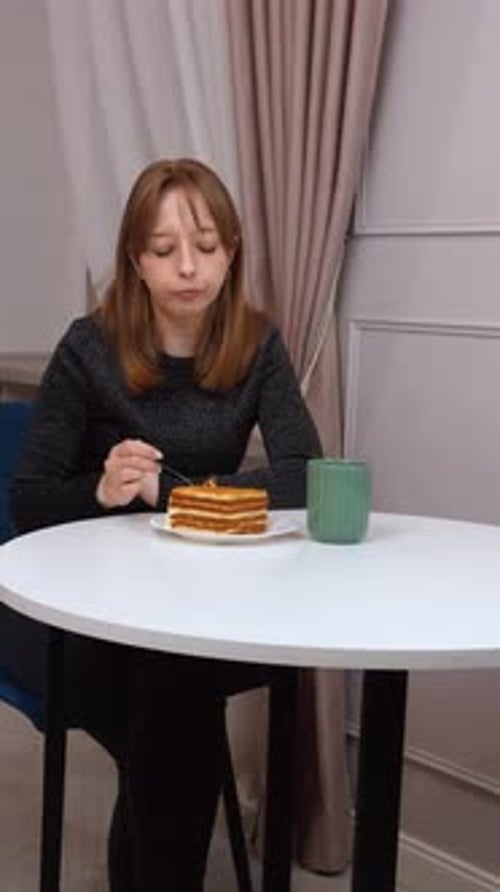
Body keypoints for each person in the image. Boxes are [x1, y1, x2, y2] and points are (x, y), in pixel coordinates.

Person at [9, 157, 322, 890]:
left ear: (233, 251)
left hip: (202, 604)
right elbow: (28, 503)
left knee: (174, 707)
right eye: (164, 250)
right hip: (82, 614)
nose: (190, 268)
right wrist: (105, 490)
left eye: (208, 246)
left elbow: (305, 473)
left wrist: (175, 494)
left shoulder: (254, 343)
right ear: (133, 261)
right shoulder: (88, 349)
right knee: (176, 717)